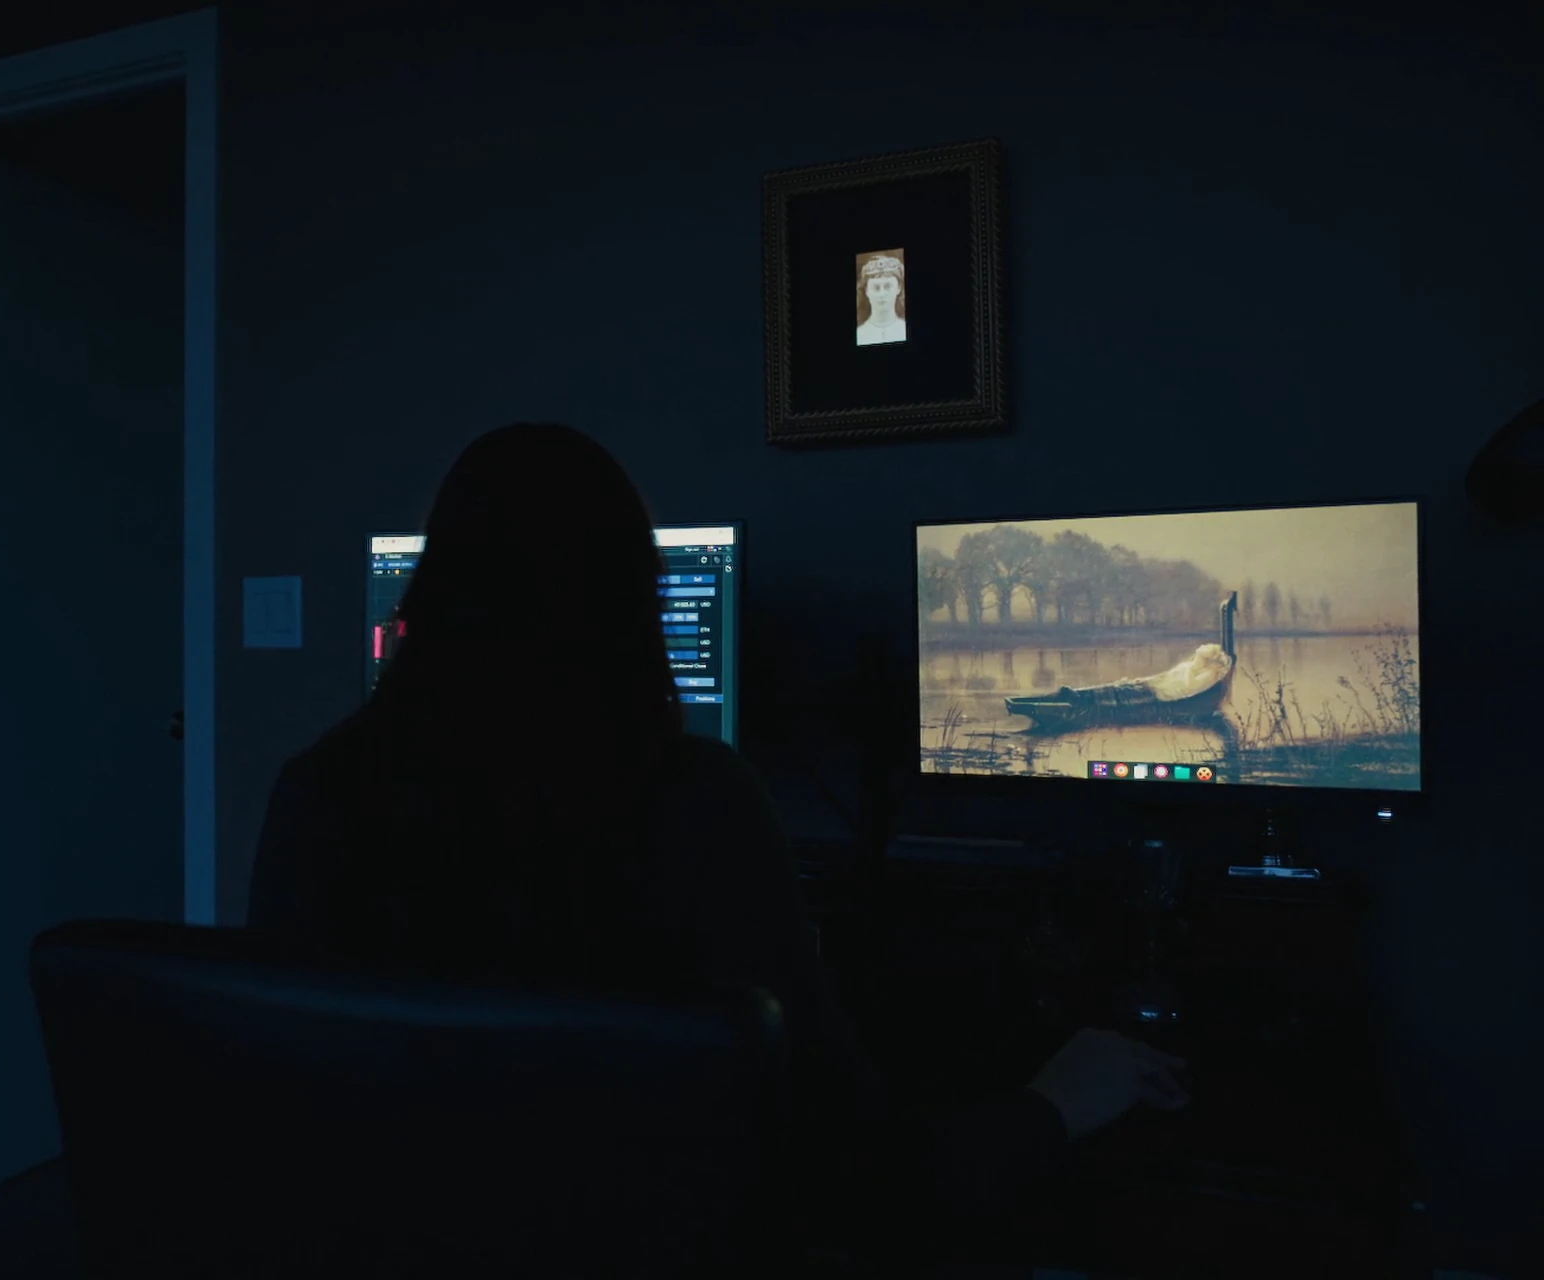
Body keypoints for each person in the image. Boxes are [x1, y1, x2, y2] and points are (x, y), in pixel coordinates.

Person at [246, 423, 1188, 1266]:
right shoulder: (693, 803)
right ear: (634, 603)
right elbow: (859, 1168)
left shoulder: (317, 794)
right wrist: (1053, 1105)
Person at [856, 253, 908, 346]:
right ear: (867, 291)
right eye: (876, 288)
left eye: (888, 287)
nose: (882, 294)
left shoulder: (905, 329)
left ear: (899, 288)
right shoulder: (860, 334)